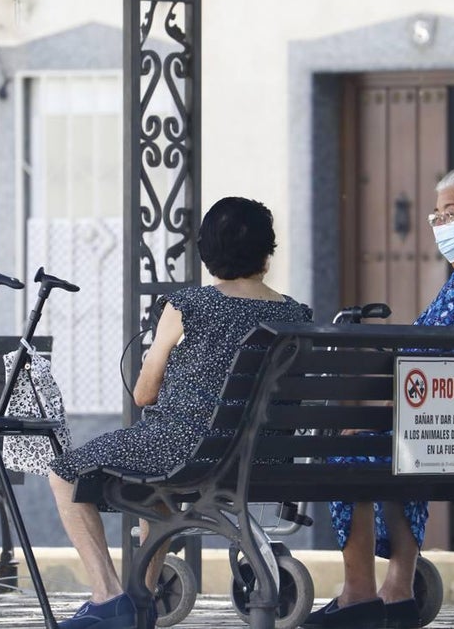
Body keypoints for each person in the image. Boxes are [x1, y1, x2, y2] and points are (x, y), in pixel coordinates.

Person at [47, 196, 312, 629]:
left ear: (207, 255)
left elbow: (144, 394)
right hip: (265, 458)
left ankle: (109, 597)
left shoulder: (188, 305)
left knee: (64, 472)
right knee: (156, 488)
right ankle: (142, 599)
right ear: (267, 255)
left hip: (188, 451)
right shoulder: (296, 314)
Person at [304, 163, 454, 629]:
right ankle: (396, 588)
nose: (439, 224)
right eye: (436, 214)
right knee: (399, 442)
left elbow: (420, 363)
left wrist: (368, 412)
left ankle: (358, 595)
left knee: (352, 449)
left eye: (451, 212)